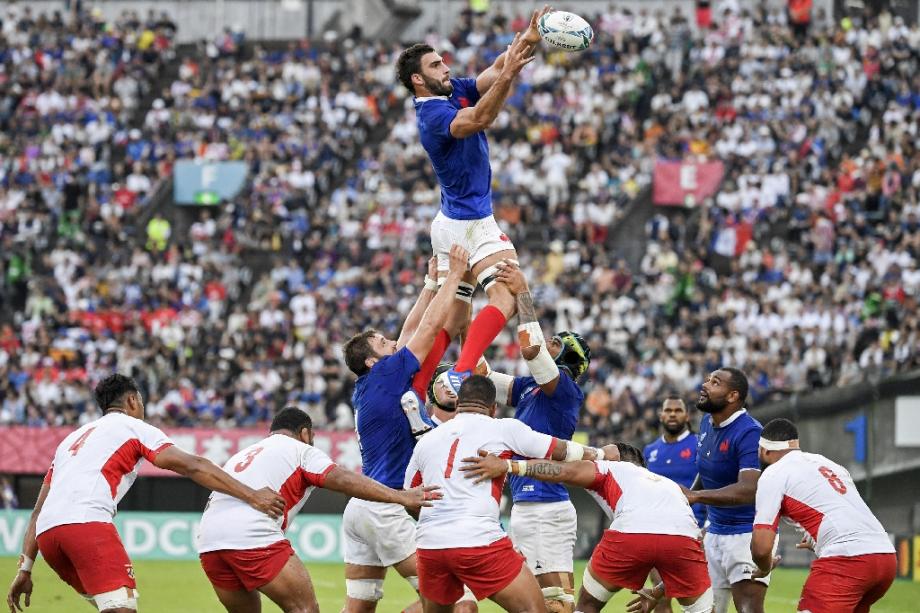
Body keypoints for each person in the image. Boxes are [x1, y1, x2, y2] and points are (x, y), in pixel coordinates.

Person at [5, 374, 286, 613]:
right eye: (140, 402)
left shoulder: (69, 441)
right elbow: (192, 465)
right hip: (85, 525)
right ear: (131, 401)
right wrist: (251, 495)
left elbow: (38, 509)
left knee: (113, 605)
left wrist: (25, 568)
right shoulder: (133, 427)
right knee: (121, 608)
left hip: (49, 538)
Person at [395, 7, 551, 394]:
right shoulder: (432, 117)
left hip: (449, 222)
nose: (445, 68)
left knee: (453, 318)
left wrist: (527, 39)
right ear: (419, 79)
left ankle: (415, 393)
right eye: (436, 64)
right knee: (508, 295)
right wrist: (512, 72)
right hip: (471, 223)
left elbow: (494, 72)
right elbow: (480, 118)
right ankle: (462, 372)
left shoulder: (449, 91)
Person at [197, 406, 441, 613]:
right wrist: (400, 496)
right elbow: (342, 479)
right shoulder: (300, 450)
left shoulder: (245, 453)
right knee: (304, 609)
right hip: (251, 537)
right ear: (305, 433)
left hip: (208, 542)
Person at [403, 375, 608, 613]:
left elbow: (410, 498)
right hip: (478, 539)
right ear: (493, 408)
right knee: (535, 609)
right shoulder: (503, 428)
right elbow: (560, 450)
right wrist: (601, 455)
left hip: (430, 546)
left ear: (458, 405)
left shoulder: (427, 441)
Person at [340, 245, 469, 613]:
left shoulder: (371, 384)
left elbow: (410, 329)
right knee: (455, 602)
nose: (393, 342)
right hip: (386, 506)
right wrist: (456, 274)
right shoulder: (385, 373)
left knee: (359, 606)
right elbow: (426, 328)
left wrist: (430, 283)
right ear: (372, 359)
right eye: (384, 343)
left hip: (361, 508)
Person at [460, 443, 712, 613]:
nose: (596, 455)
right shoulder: (668, 485)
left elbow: (561, 471)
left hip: (630, 535)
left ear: (621, 459)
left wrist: (509, 466)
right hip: (684, 541)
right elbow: (675, 539)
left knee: (588, 604)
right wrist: (658, 590)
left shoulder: (611, 467)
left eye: (604, 453)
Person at [481, 261, 591, 612]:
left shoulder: (564, 389)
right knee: (540, 603)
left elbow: (530, 348)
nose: (548, 343)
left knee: (556, 604)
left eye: (557, 343)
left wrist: (523, 294)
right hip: (529, 504)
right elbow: (481, 375)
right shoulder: (532, 387)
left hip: (545, 506)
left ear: (570, 357)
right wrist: (468, 312)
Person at [751, 418, 897, 613]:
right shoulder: (828, 463)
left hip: (848, 559)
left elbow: (761, 548)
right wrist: (819, 541)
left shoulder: (773, 473)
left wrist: (765, 566)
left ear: (764, 450)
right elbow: (841, 510)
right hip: (885, 557)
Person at [683, 368, 767, 613]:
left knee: (749, 610)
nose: (705, 384)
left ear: (732, 396)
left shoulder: (750, 431)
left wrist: (696, 497)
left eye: (715, 382)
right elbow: (707, 469)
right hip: (714, 533)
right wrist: (688, 497)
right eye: (708, 379)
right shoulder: (707, 422)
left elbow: (749, 489)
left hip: (746, 536)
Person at [643, 396, 706, 613]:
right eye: (667, 410)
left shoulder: (700, 445)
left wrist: (706, 525)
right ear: (660, 415)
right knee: (660, 598)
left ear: (687, 416)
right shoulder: (650, 451)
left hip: (692, 531)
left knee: (695, 600)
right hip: (656, 531)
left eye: (677, 410)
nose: (672, 414)